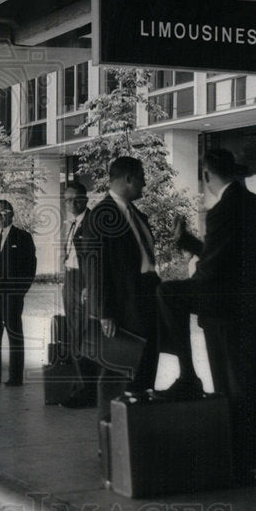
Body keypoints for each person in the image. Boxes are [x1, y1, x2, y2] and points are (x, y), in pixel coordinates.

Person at [158, 148, 256, 485]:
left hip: (232, 310)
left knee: (167, 293)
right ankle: (255, 457)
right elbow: (226, 255)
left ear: (206, 175)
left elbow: (213, 267)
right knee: (243, 384)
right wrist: (188, 242)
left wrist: (192, 287)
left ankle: (187, 375)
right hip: (252, 310)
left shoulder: (223, 209)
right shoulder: (252, 203)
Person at [78, 157, 162, 420]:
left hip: (146, 299)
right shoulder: (102, 215)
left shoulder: (136, 214)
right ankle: (112, 436)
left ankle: (136, 433)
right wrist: (104, 312)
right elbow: (95, 266)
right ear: (128, 178)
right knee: (117, 374)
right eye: (141, 178)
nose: (145, 183)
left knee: (145, 370)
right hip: (122, 307)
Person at [0, 199, 36, 386]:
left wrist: (19, 292)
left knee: (13, 332)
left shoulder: (23, 237)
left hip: (11, 291)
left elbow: (30, 267)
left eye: (3, 212)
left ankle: (15, 377)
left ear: (11, 214)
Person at [59, 181, 99, 409]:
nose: (71, 203)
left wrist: (88, 286)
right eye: (67, 199)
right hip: (70, 279)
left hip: (83, 282)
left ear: (85, 199)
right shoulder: (73, 223)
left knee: (84, 336)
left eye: (76, 199)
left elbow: (95, 257)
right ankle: (80, 386)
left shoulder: (92, 222)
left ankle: (87, 390)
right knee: (74, 334)